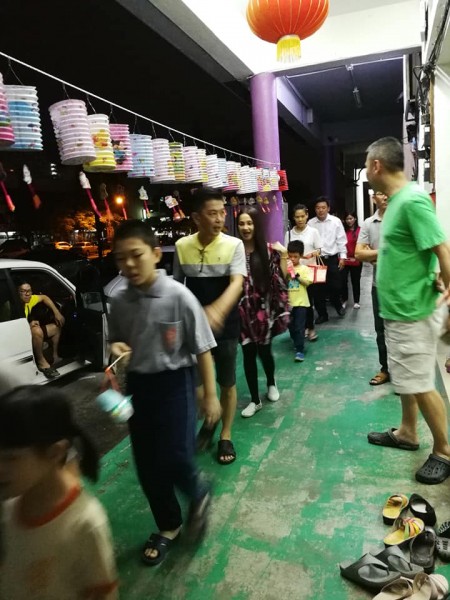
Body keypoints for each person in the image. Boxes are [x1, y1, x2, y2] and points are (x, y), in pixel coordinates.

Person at [108, 220, 221, 565]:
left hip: (175, 384)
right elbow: (116, 340)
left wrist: (210, 395)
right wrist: (116, 348)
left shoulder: (179, 297)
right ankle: (169, 525)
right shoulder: (119, 300)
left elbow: (202, 348)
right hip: (139, 387)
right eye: (121, 258)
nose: (129, 264)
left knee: (175, 454)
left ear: (156, 254)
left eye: (136, 255)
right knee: (146, 465)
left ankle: (198, 490)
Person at [365, 136, 450, 485]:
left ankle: (444, 451)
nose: (366, 172)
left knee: (419, 383)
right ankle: (407, 432)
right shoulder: (397, 202)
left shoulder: (413, 200)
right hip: (400, 310)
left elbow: (442, 249)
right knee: (407, 378)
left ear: (376, 165)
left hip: (413, 312)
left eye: (367, 165)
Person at [0, 385, 118, 599]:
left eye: (11, 458)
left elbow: (102, 593)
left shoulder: (84, 524)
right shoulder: (10, 507)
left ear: (55, 452)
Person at [173, 187, 246, 465]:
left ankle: (225, 434)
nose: (219, 219)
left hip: (225, 325)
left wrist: (217, 310)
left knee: (227, 382)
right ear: (196, 217)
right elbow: (177, 288)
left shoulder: (234, 245)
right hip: (193, 328)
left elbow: (237, 283)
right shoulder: (182, 246)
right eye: (212, 213)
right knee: (198, 384)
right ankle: (209, 421)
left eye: (222, 213)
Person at [237, 207, 290, 418]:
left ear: (256, 225)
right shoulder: (234, 251)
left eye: (249, 223)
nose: (246, 227)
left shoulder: (268, 251)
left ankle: (271, 382)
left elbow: (284, 280)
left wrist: (284, 255)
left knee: (265, 352)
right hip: (242, 313)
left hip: (263, 312)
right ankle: (254, 400)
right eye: (242, 223)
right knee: (248, 355)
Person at [355, 190, 390, 386]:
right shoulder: (369, 223)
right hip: (379, 285)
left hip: (403, 285)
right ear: (374, 198)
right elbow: (358, 254)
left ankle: (400, 371)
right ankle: (385, 369)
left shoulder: (401, 218)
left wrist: (373, 254)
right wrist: (385, 253)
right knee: (380, 330)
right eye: (379, 193)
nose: (384, 197)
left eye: (387, 193)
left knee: (401, 330)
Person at [284, 203, 321, 341]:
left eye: (302, 216)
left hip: (308, 273)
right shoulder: (288, 234)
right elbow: (286, 253)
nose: (300, 219)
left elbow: (319, 250)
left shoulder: (313, 232)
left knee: (308, 302)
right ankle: (300, 328)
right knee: (296, 303)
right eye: (297, 217)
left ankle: (310, 328)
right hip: (293, 274)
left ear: (307, 216)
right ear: (293, 218)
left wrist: (313, 254)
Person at [308, 197, 347, 323]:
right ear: (315, 209)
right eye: (318, 208)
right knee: (318, 289)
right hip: (317, 260)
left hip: (332, 259)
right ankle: (322, 314)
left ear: (328, 208)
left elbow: (341, 240)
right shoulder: (310, 223)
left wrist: (343, 257)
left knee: (336, 285)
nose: (321, 210)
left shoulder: (336, 221)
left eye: (323, 207)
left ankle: (337, 304)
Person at [16, 279, 65, 379]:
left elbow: (44, 298)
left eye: (29, 291)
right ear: (17, 293)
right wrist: (29, 325)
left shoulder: (30, 300)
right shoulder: (10, 306)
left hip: (27, 333)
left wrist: (56, 312)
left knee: (56, 327)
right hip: (17, 338)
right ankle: (41, 362)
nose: (27, 294)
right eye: (23, 291)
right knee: (36, 330)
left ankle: (54, 356)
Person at [286, 240, 314, 362]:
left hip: (301, 303)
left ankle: (300, 349)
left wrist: (295, 275)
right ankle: (296, 341)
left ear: (301, 256)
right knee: (291, 326)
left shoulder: (305, 269)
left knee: (299, 326)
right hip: (288, 304)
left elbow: (308, 282)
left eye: (295, 256)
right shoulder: (285, 269)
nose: (292, 259)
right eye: (290, 256)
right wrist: (286, 271)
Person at [341, 212, 362, 309]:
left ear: (355, 219)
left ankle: (356, 301)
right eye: (347, 219)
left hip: (356, 259)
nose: (349, 221)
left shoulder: (360, 230)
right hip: (344, 259)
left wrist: (357, 257)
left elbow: (362, 245)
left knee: (355, 280)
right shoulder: (342, 231)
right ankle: (344, 300)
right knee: (343, 280)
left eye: (351, 218)